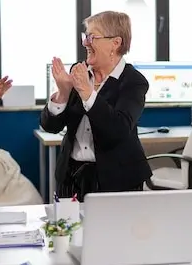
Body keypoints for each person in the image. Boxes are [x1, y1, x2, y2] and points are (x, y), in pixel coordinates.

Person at [40, 11, 152, 200]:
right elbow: (50, 127)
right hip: (71, 178)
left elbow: (118, 129)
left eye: (92, 37)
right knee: (68, 221)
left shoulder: (134, 81)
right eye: (85, 36)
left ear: (115, 43)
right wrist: (63, 93)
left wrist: (87, 92)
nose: (85, 43)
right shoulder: (79, 71)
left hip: (116, 181)